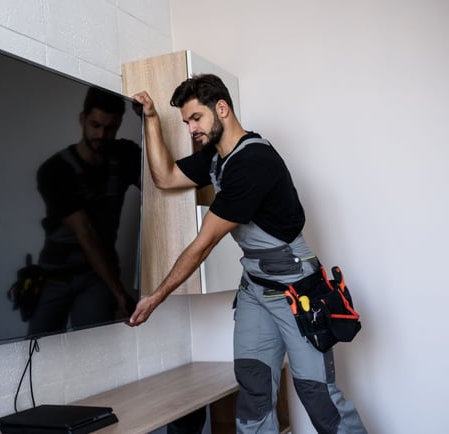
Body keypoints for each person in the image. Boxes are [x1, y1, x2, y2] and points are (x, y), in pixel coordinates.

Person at [129, 75, 367, 434]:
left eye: (196, 118)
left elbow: (203, 244)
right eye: (186, 122)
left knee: (318, 395)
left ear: (221, 108)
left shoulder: (253, 161)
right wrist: (150, 118)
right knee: (254, 391)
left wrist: (157, 297)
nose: (192, 128)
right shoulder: (216, 157)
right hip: (255, 286)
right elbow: (164, 177)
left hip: (293, 287)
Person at [27, 86, 140, 335]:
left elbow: (161, 181)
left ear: (120, 123)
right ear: (82, 119)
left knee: (96, 344)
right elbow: (85, 232)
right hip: (55, 276)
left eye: (110, 128)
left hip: (98, 279)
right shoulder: (55, 170)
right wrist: (119, 292)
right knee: (36, 347)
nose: (101, 134)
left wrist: (147, 119)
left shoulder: (125, 156)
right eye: (95, 125)